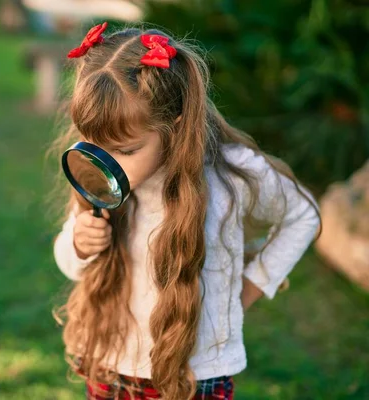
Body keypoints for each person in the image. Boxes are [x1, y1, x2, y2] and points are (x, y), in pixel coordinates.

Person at [49, 22, 321, 400]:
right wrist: (79, 243)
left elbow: (302, 216)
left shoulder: (232, 177)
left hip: (196, 375)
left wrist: (248, 288)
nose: (106, 162)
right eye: (94, 144)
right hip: (110, 364)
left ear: (174, 125)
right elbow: (70, 264)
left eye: (126, 151)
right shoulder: (99, 174)